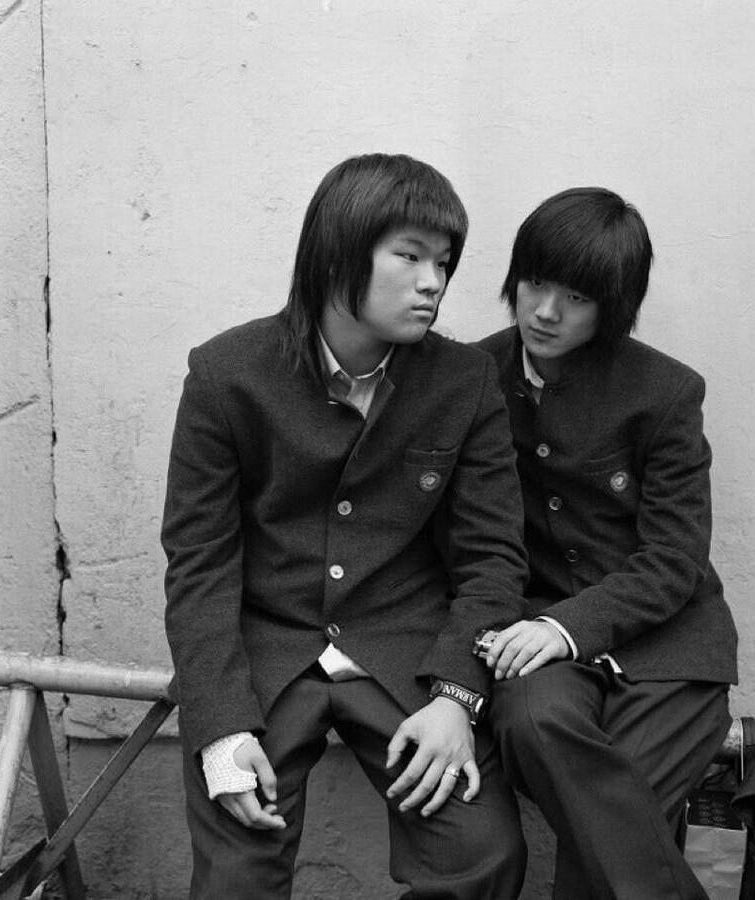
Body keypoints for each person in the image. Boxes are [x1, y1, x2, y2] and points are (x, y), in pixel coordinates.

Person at [161, 153, 531, 899]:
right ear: (337, 255)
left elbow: (493, 558)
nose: (434, 282)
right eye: (410, 256)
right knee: (236, 875)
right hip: (267, 656)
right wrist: (221, 726)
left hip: (406, 652)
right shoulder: (227, 374)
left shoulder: (464, 381)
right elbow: (198, 563)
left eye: (444, 262)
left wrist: (457, 698)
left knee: (483, 853)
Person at [476, 187, 739, 900]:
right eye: (534, 283)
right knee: (532, 722)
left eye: (576, 297)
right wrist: (536, 629)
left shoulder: (665, 392)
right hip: (530, 635)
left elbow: (674, 559)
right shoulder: (470, 379)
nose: (545, 311)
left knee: (611, 821)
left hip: (669, 648)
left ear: (613, 306)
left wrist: (569, 627)